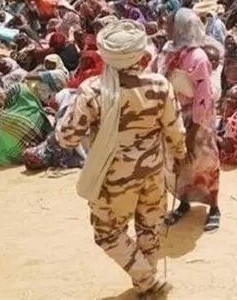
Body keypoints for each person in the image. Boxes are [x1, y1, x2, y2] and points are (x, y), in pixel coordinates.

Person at [57, 19, 186, 299]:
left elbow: (66, 137)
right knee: (149, 228)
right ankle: (148, 284)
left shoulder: (93, 90)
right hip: (152, 173)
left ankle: (147, 281)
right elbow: (176, 131)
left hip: (113, 178)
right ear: (140, 54)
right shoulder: (159, 84)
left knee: (106, 232)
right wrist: (179, 155)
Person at [157, 9, 222, 233]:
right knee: (177, 160)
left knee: (203, 161)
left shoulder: (198, 57)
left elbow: (203, 98)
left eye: (169, 23)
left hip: (197, 119)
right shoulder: (167, 51)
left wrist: (192, 130)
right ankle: (183, 202)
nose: (165, 27)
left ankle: (213, 207)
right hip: (172, 115)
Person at [0, 84, 51, 166]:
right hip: (40, 150)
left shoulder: (3, 118)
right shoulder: (38, 112)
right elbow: (48, 130)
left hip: (14, 156)